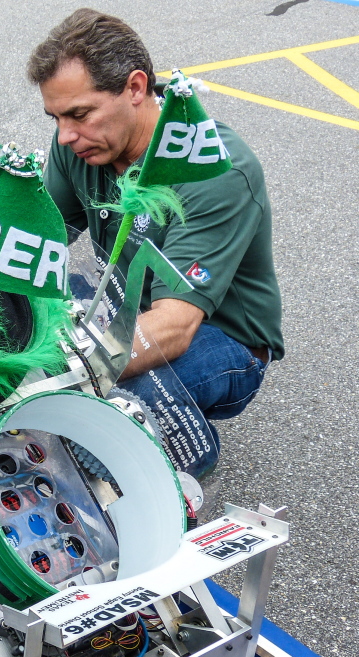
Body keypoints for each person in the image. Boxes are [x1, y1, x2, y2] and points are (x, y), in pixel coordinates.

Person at [28, 9, 283, 475]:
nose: (65, 135)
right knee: (27, 319)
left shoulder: (213, 170)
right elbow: (34, 246)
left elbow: (173, 326)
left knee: (126, 405)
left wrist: (58, 374)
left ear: (136, 88)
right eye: (56, 117)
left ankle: (173, 477)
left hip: (219, 334)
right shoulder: (81, 142)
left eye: (80, 114)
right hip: (124, 300)